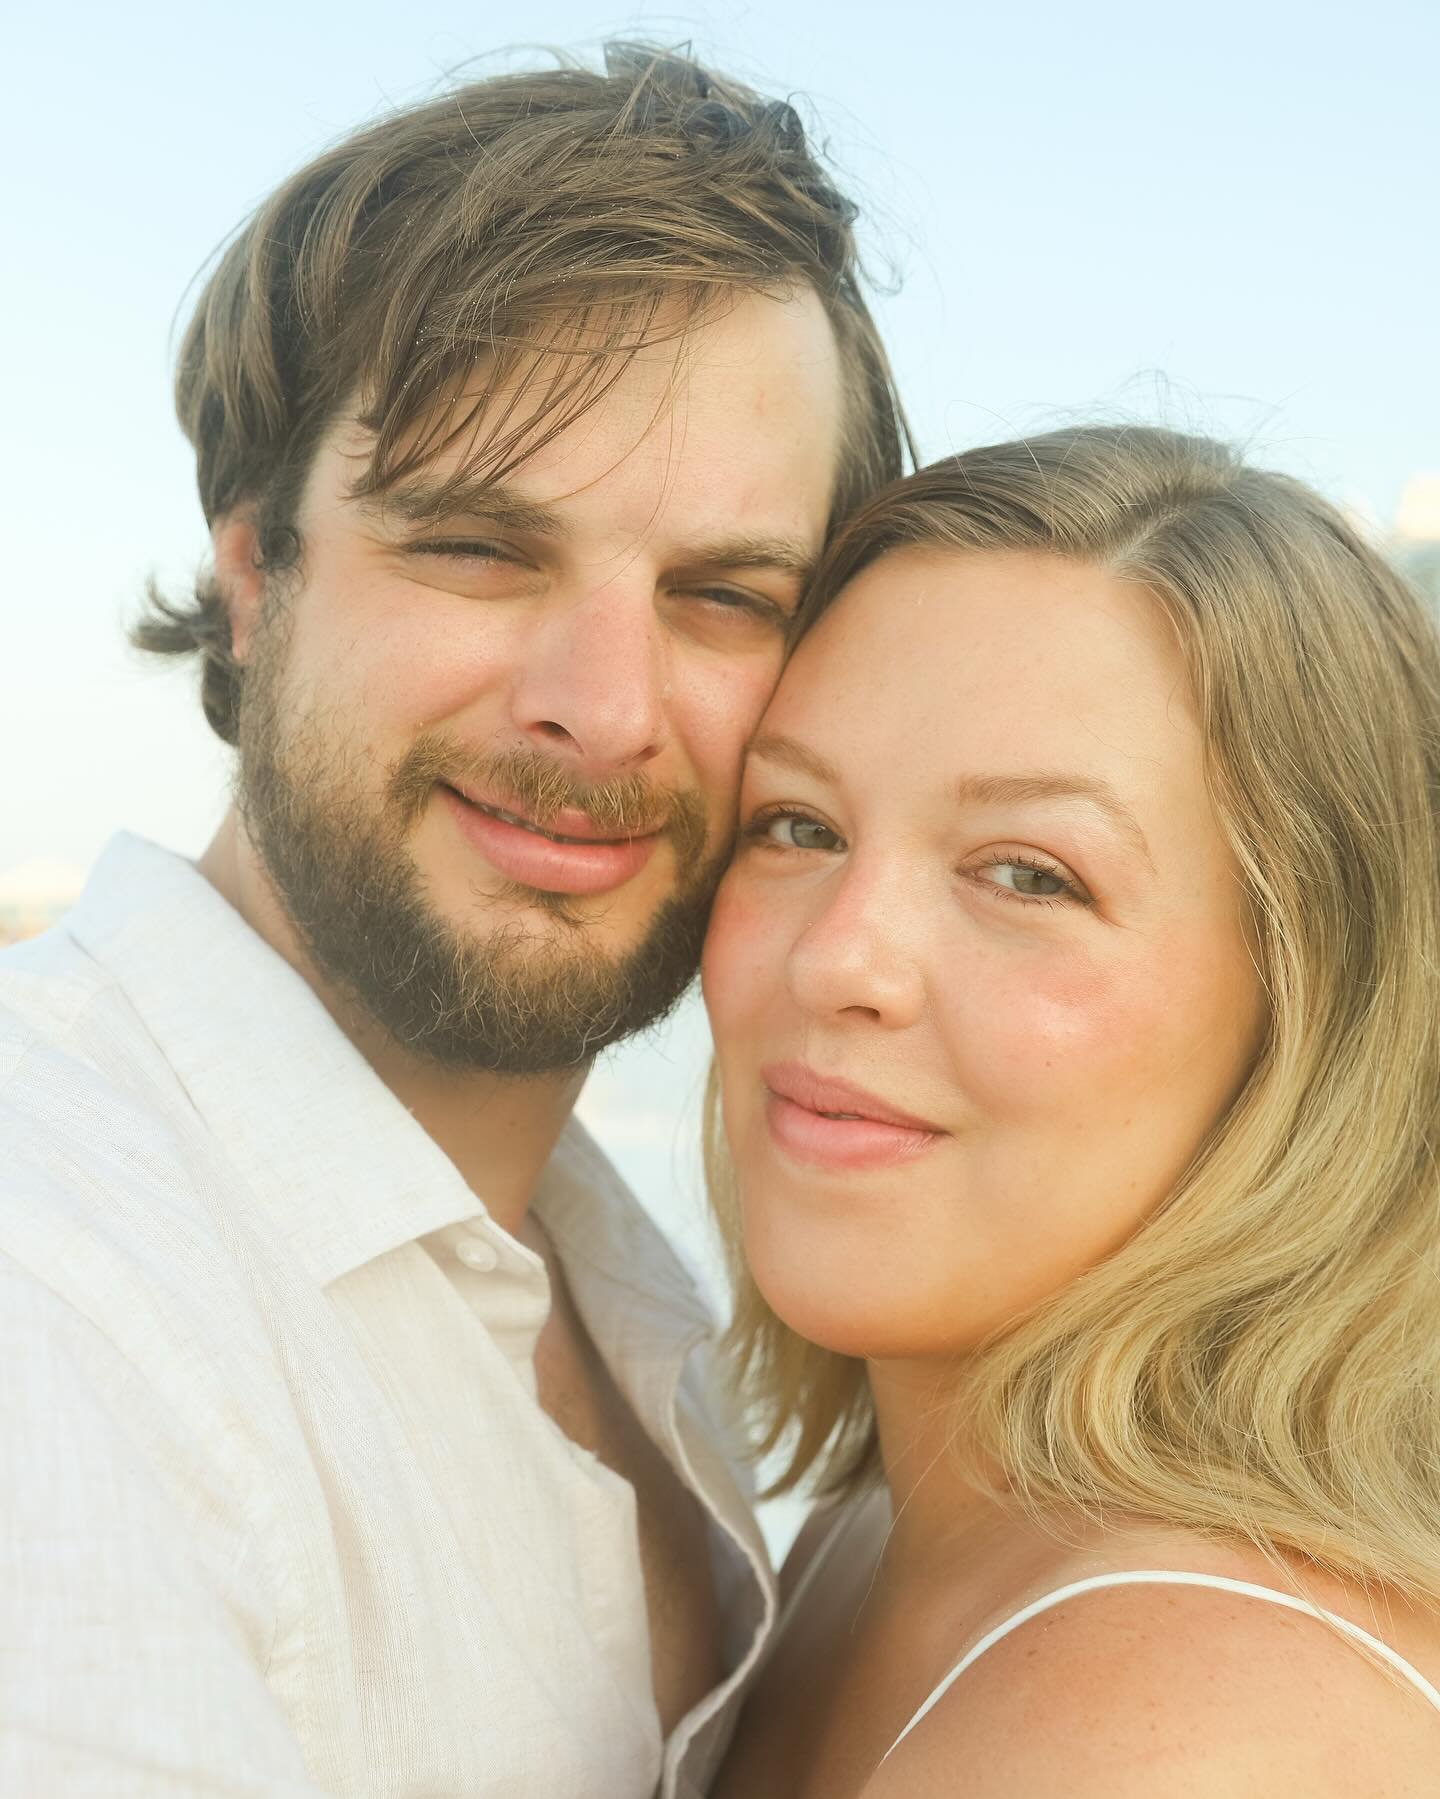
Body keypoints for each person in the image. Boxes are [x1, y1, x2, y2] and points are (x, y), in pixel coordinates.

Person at [0, 44, 908, 1797]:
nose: (607, 710)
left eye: (723, 595)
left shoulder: (623, 1269)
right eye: (482, 551)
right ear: (256, 574)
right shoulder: (59, 1297)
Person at [703, 426, 1440, 1797]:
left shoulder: (1197, 1721)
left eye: (1030, 875)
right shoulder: (867, 1547)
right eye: (797, 824)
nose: (837, 959)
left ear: (1307, 1010)